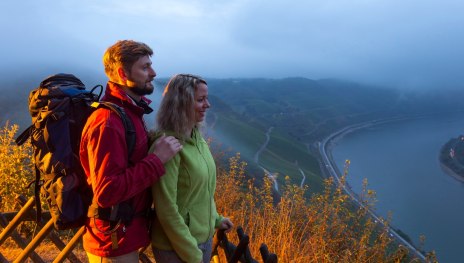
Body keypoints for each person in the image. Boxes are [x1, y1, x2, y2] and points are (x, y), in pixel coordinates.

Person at [79, 40, 182, 262]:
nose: (153, 73)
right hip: (112, 241)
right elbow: (107, 192)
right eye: (144, 67)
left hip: (125, 235)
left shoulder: (130, 113)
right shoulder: (107, 121)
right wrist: (157, 160)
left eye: (150, 65)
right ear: (122, 72)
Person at [149, 74, 234, 263]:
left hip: (200, 241)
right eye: (201, 99)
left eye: (207, 98)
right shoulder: (168, 146)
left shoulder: (196, 137)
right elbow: (166, 209)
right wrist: (192, 253)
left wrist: (215, 219)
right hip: (176, 248)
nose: (208, 104)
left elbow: (202, 192)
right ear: (181, 103)